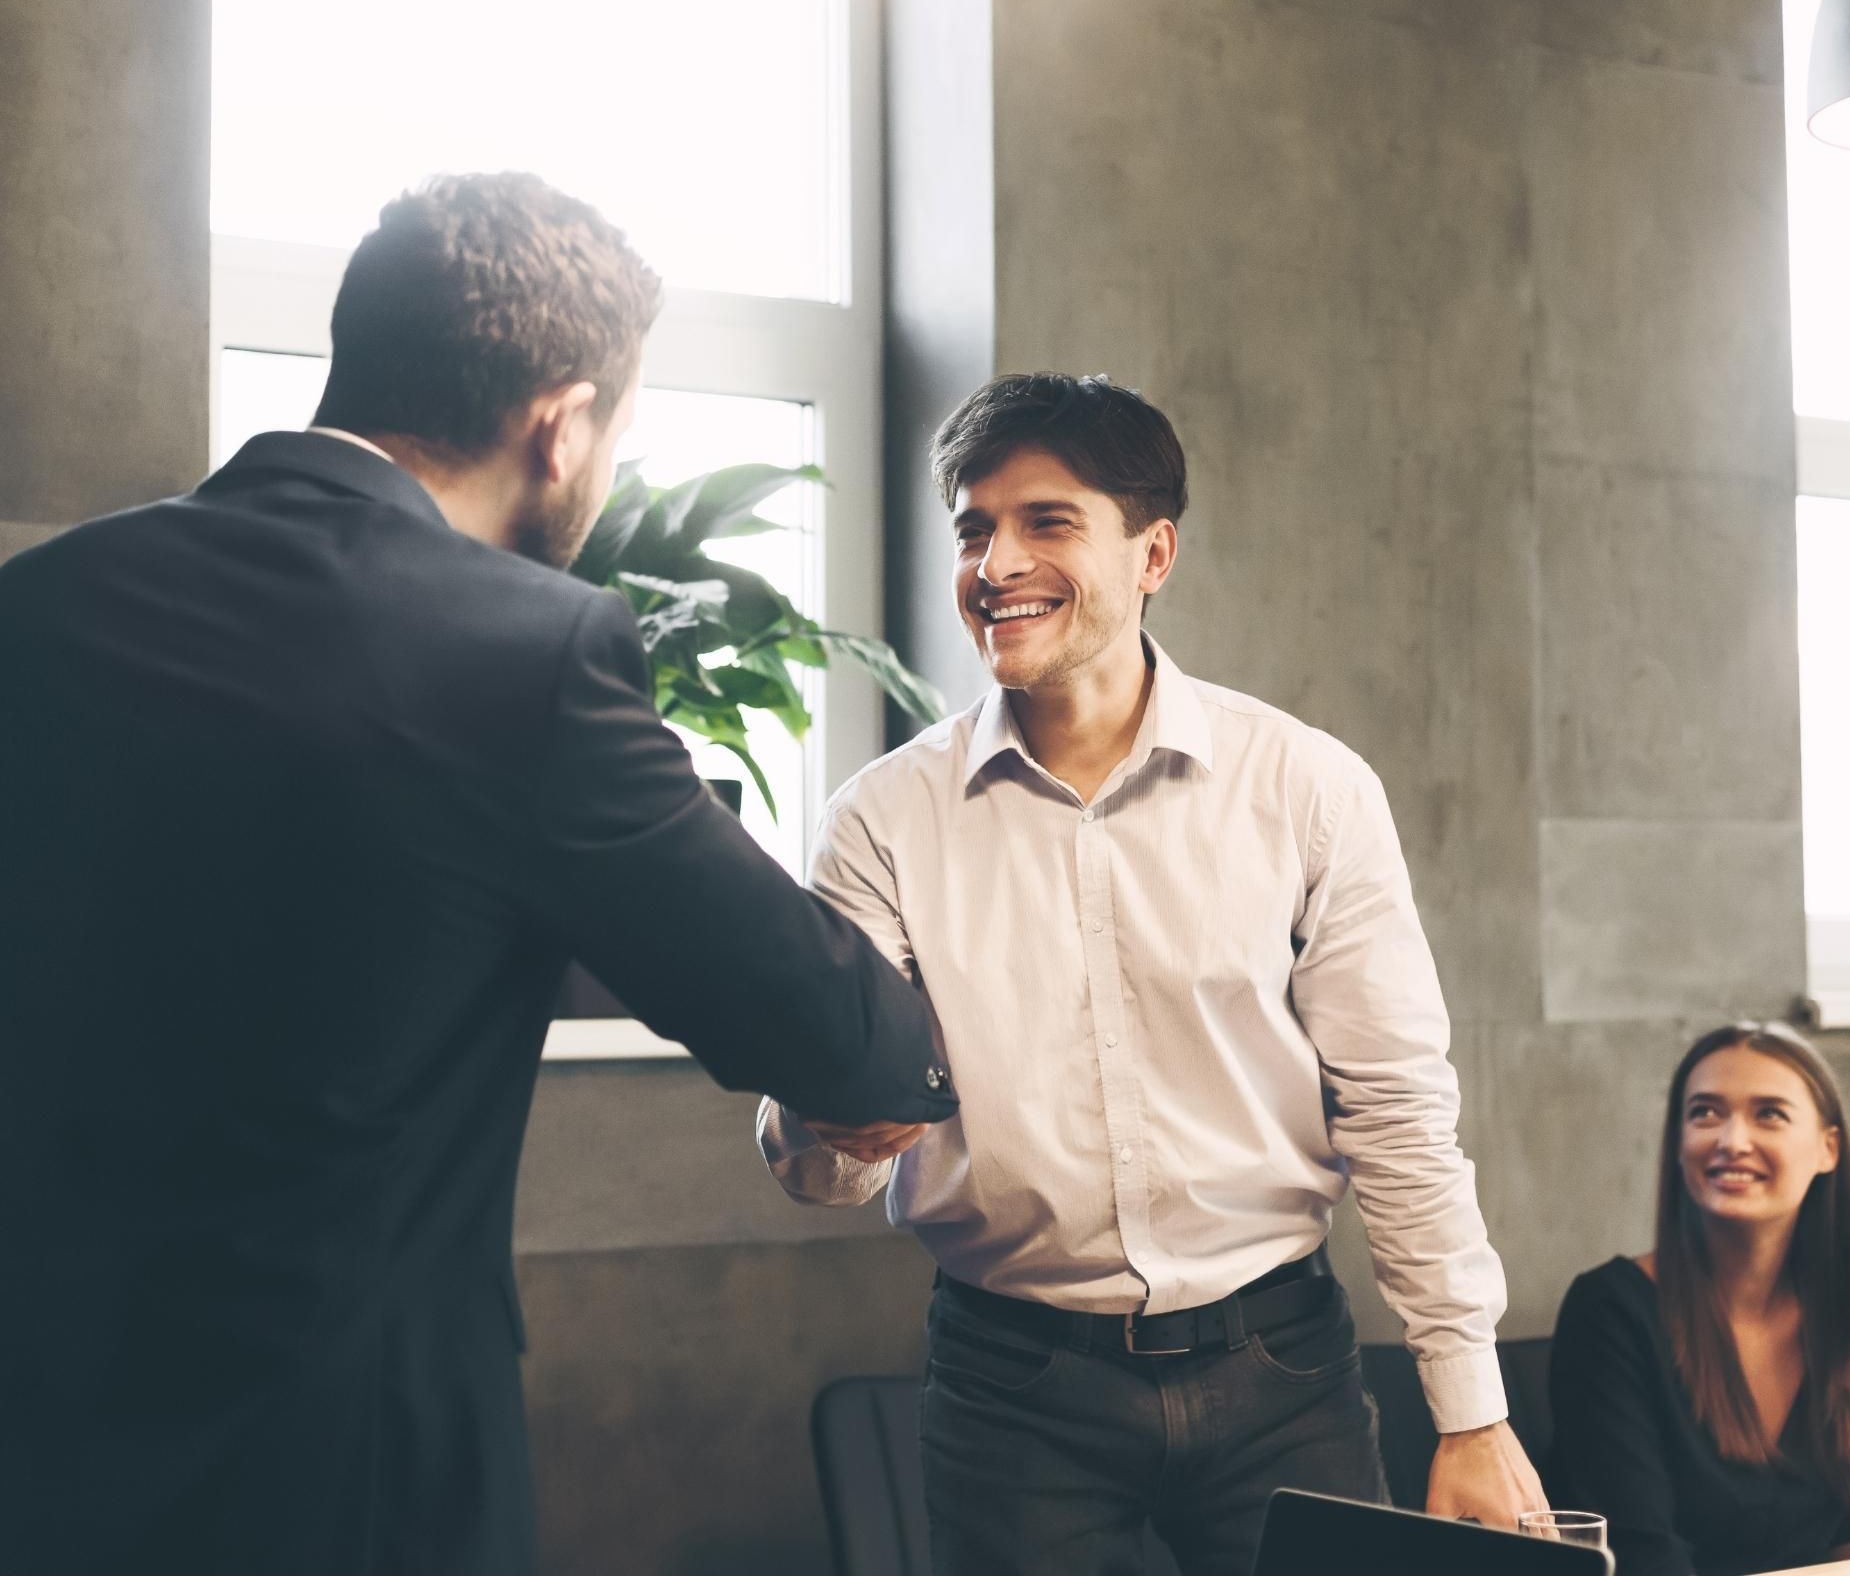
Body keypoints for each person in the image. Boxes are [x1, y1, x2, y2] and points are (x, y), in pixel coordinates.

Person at [0, 172, 954, 1576]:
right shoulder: (528, 655)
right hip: (345, 1484)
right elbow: (843, 1041)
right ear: (561, 427)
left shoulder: (44, 608)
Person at [755, 373, 1543, 1574]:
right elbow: (829, 1162)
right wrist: (827, 1129)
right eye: (973, 529)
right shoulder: (879, 821)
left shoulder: (1307, 787)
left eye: (1046, 521)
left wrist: (1470, 1406)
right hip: (1010, 1388)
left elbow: (1398, 1111)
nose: (994, 561)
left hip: (1282, 1365)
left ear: (1154, 551)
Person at [1549, 1022, 1850, 1576]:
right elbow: (1644, 1556)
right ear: (1678, 1143)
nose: (1732, 1140)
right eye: (1705, 1113)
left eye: (1770, 1113)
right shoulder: (1609, 1310)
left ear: (1828, 1149)